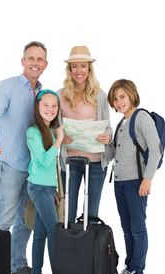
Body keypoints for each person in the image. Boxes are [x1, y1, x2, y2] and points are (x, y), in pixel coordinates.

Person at [0, 41, 48, 274]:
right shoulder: (7, 86)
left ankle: (17, 264)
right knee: (4, 220)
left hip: (35, 169)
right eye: (31, 58)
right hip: (11, 164)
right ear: (23, 61)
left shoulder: (44, 93)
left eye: (40, 59)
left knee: (26, 218)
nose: (35, 63)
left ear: (45, 65)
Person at [107, 79, 161, 274]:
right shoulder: (122, 123)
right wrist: (104, 142)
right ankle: (130, 267)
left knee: (137, 228)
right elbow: (113, 154)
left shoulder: (141, 117)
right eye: (115, 99)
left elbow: (155, 150)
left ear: (131, 94)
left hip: (136, 182)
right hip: (120, 183)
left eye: (122, 97)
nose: (119, 102)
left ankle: (137, 272)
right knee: (127, 227)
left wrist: (147, 178)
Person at [58, 45, 112, 223]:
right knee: (67, 215)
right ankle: (68, 250)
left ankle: (88, 251)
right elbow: (52, 128)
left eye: (83, 66)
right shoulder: (60, 95)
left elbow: (108, 127)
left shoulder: (100, 95)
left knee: (91, 216)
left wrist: (107, 136)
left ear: (89, 68)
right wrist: (60, 138)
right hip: (70, 162)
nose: (79, 70)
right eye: (74, 66)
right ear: (69, 69)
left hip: (96, 163)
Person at [26, 90, 64, 274]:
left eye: (54, 106)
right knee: (53, 231)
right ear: (38, 107)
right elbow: (44, 160)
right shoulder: (33, 132)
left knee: (40, 234)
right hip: (37, 188)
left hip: (48, 189)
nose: (50, 109)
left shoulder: (51, 131)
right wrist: (59, 140)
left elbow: (52, 168)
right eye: (46, 105)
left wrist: (55, 190)